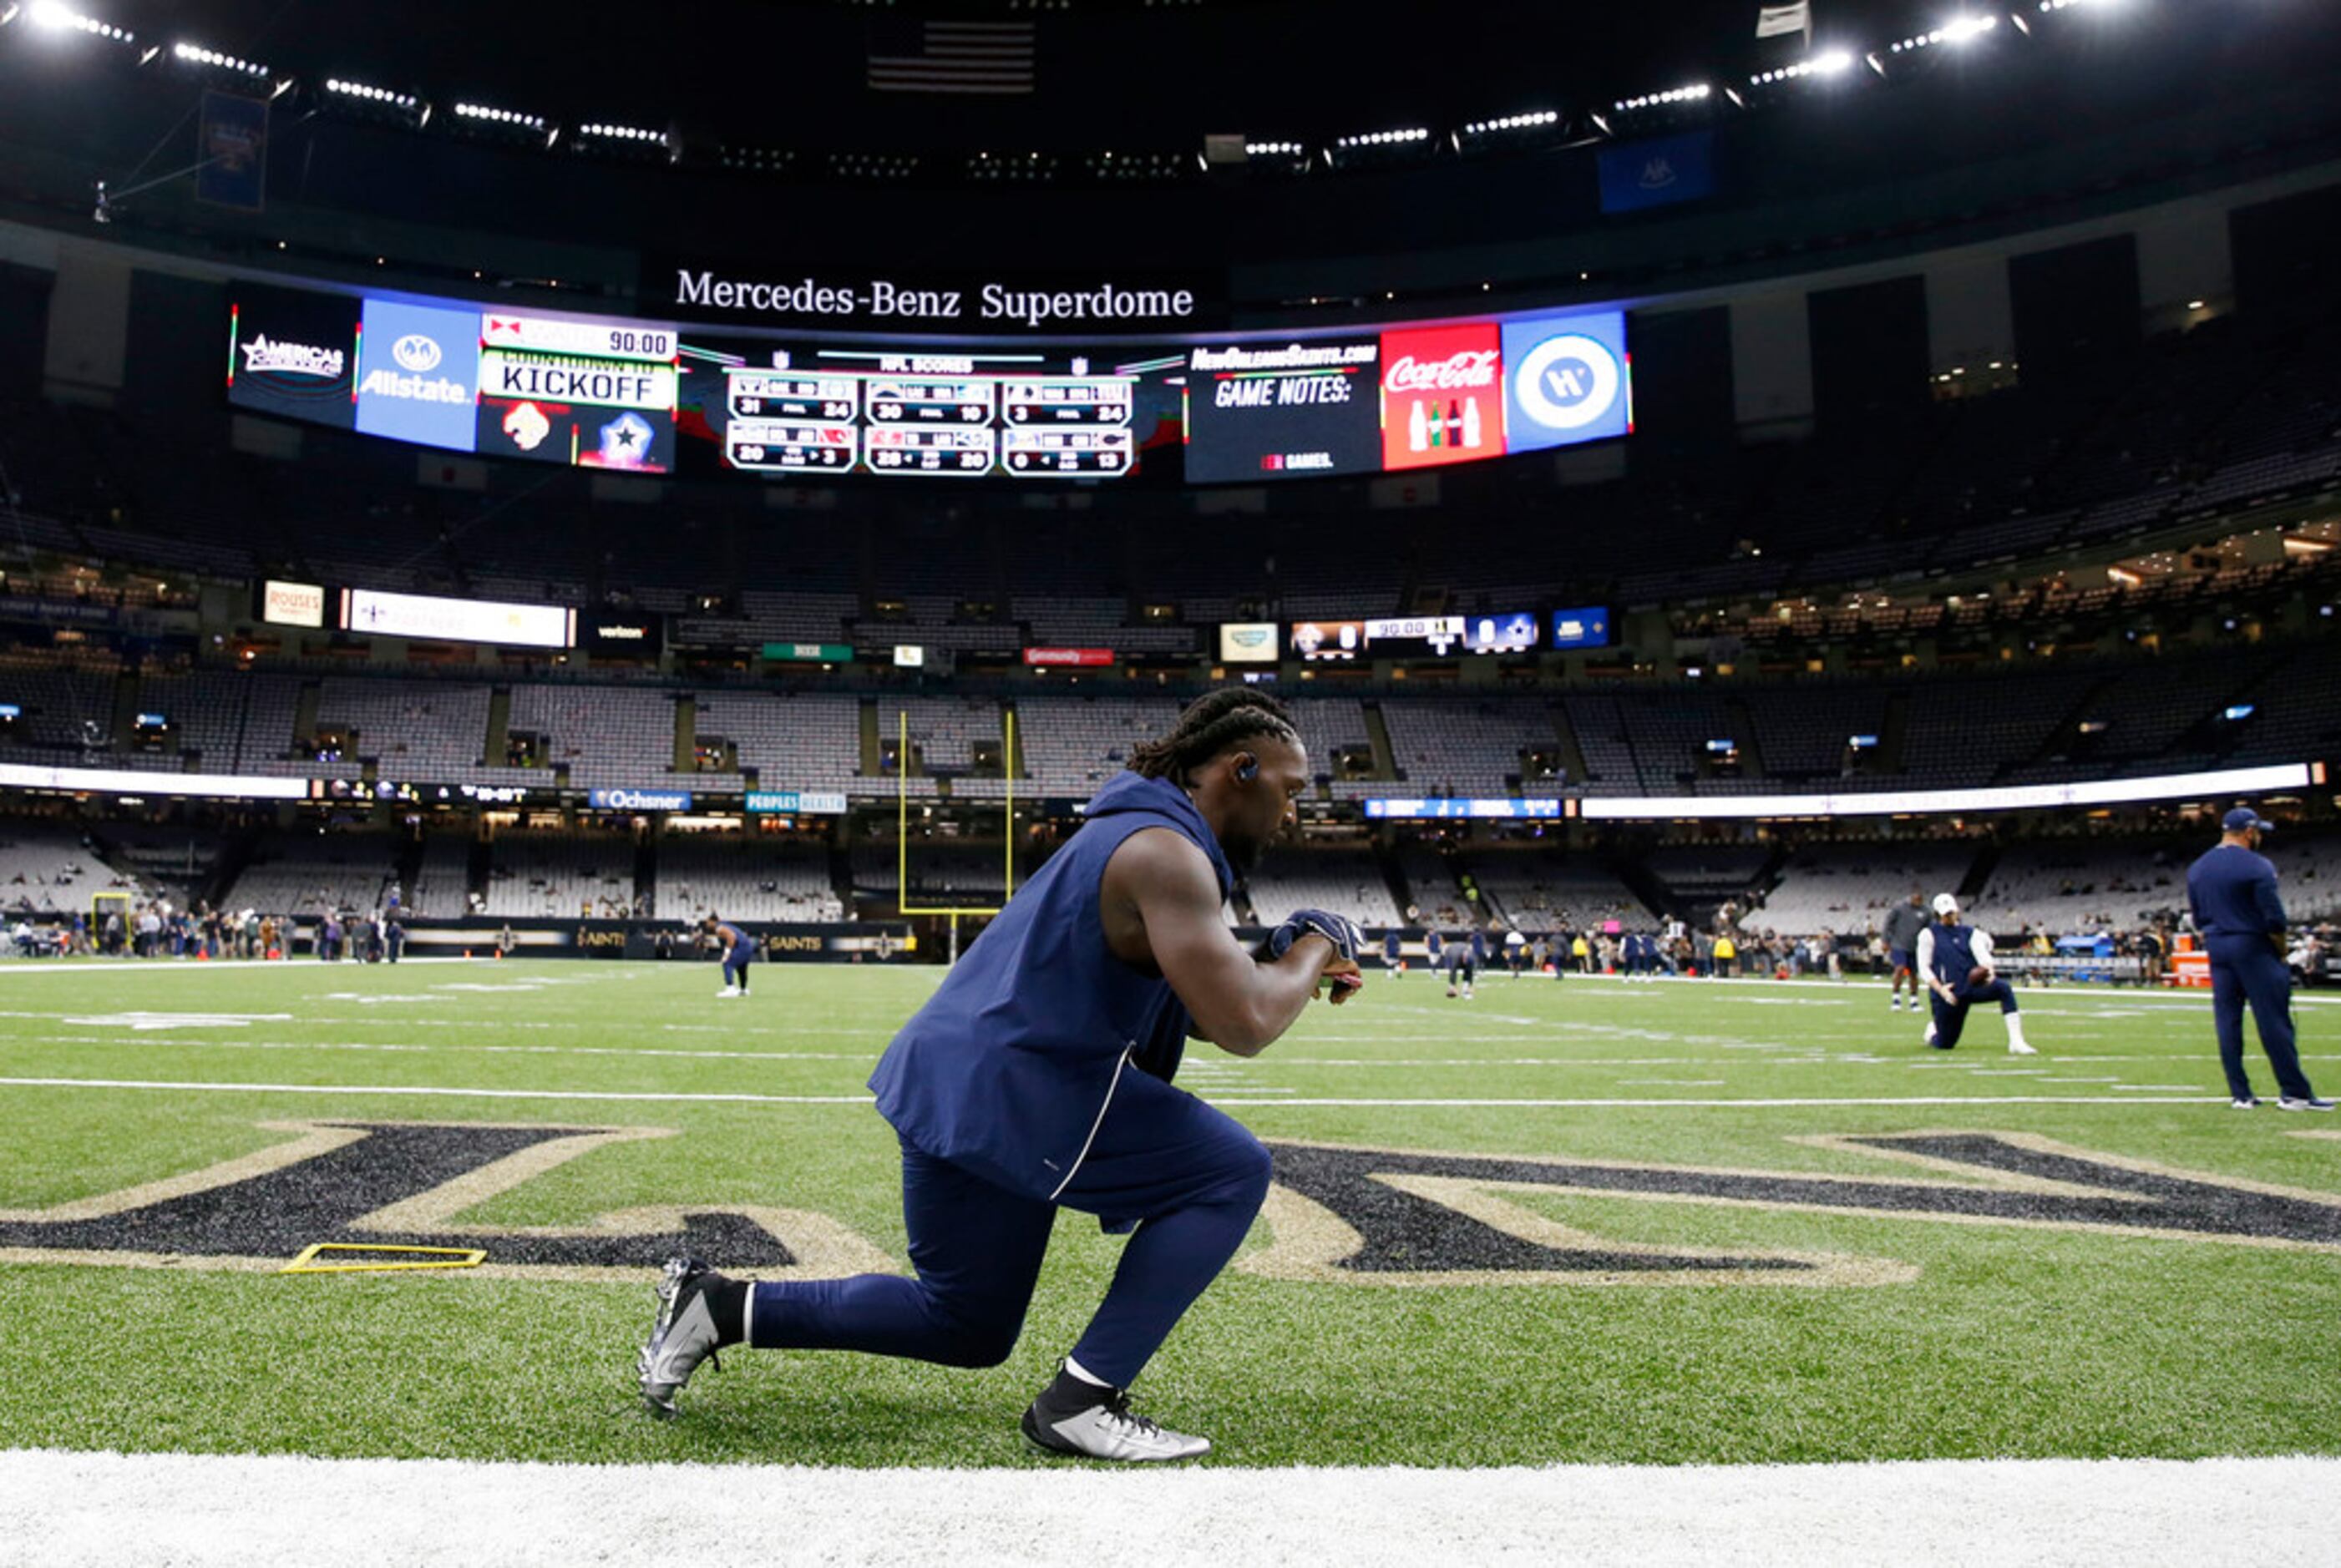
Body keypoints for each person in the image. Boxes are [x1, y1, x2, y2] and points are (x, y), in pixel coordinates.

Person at [636, 689, 1363, 1461]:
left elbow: (1199, 1002)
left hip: (955, 1079)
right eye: (1288, 790)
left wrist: (1279, 962)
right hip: (1023, 1088)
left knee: (966, 1325)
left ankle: (718, 1306)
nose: (1293, 814)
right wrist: (1315, 943)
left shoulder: (1136, 835)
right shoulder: (1166, 853)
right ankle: (1083, 1401)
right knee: (1229, 1171)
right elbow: (1243, 1023)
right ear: (1238, 769)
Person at [2186, 808, 2329, 1110]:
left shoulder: (2198, 867)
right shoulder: (2257, 865)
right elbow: (2274, 917)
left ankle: (2241, 1094)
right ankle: (2294, 1092)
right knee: (2273, 1019)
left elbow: (2198, 916)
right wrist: (2278, 947)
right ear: (2249, 831)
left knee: (2227, 1019)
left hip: (2217, 944)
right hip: (2252, 944)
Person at [1917, 893, 2034, 1055]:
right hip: (1948, 992)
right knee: (1946, 1043)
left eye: (1952, 912)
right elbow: (1924, 967)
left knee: (2004, 989)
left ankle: (2016, 1041)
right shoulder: (1928, 934)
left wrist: (1989, 973)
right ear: (1938, 914)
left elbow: (1984, 958)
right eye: (1946, 914)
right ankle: (1933, 1033)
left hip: (1971, 986)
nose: (1950, 916)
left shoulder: (1970, 933)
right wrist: (1941, 989)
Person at [702, 914, 752, 998]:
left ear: (713, 921)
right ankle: (743, 990)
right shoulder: (726, 924)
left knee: (727, 963)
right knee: (741, 967)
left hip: (741, 946)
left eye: (708, 922)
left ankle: (730, 988)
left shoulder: (719, 927)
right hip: (748, 946)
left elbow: (731, 937)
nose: (707, 924)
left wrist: (727, 953)